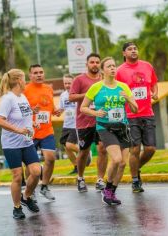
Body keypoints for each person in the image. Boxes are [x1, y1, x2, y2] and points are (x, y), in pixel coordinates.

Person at [81, 57, 138, 205]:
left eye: (114, 66)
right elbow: (83, 107)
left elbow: (135, 108)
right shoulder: (96, 87)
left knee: (123, 164)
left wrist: (129, 99)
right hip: (105, 127)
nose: (113, 68)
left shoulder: (123, 87)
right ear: (103, 70)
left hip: (122, 127)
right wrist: (95, 113)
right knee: (117, 159)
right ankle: (107, 189)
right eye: (109, 66)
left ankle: (111, 192)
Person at [0, 69, 41, 219]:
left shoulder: (22, 97)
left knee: (36, 171)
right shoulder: (8, 99)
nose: (26, 81)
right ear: (18, 81)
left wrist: (34, 122)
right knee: (17, 177)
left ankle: (26, 197)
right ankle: (17, 207)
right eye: (24, 78)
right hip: (11, 144)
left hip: (27, 142)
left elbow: (24, 116)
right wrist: (18, 130)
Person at [116, 42, 158, 193]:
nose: (133, 51)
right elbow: (115, 91)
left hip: (147, 113)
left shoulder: (147, 66)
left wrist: (155, 92)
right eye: (129, 49)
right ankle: (135, 180)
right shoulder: (119, 71)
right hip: (130, 115)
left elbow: (153, 83)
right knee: (134, 149)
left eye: (135, 48)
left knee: (151, 149)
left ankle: (136, 167)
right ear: (124, 53)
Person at [69, 53, 108, 192]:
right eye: (92, 62)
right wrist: (88, 95)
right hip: (84, 121)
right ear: (87, 64)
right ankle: (80, 178)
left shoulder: (104, 80)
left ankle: (100, 179)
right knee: (84, 151)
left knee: (102, 149)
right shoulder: (79, 79)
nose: (95, 64)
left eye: (97, 62)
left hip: (102, 120)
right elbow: (71, 97)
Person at [24, 64, 60, 201]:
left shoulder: (48, 88)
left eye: (41, 72)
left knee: (50, 158)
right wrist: (31, 110)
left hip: (46, 130)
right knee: (30, 163)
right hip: (30, 131)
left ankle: (44, 186)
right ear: (30, 75)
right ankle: (30, 188)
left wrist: (55, 110)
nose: (39, 75)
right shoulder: (25, 90)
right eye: (35, 73)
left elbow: (50, 106)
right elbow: (20, 110)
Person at [58, 74, 79, 174]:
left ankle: (85, 152)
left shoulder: (77, 93)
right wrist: (58, 112)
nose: (67, 85)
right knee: (66, 146)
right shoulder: (63, 95)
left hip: (76, 124)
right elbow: (61, 109)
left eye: (69, 83)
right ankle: (76, 166)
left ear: (73, 82)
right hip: (67, 124)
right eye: (65, 83)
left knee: (70, 145)